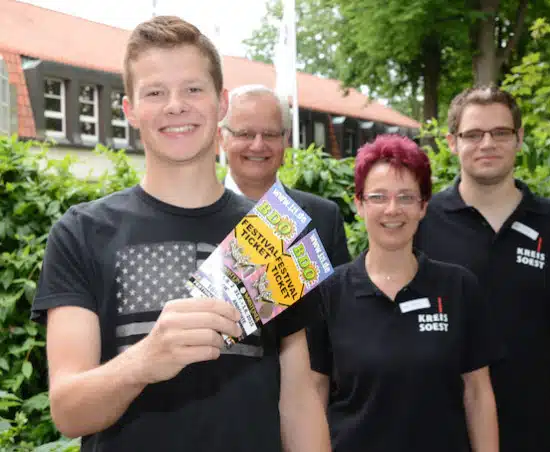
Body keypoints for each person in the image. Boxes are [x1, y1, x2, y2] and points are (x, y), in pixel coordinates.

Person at [31, 16, 328, 452]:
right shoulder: (81, 232)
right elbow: (69, 412)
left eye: (193, 89)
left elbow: (299, 400)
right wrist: (146, 361)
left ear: (221, 103)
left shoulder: (271, 234)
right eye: (155, 92)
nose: (176, 105)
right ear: (130, 110)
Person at [414, 85, 550, 452]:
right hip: (439, 433)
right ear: (452, 142)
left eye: (500, 132)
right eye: (473, 134)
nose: (487, 143)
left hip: (533, 434)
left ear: (519, 139)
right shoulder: (423, 223)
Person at [305, 134, 499, 451]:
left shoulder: (459, 288)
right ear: (359, 204)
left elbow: (477, 392)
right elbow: (313, 393)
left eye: (406, 197)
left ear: (424, 206)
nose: (392, 209)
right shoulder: (329, 292)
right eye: (378, 197)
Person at [219, 84, 351, 268]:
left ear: (286, 139)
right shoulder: (193, 212)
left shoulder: (325, 218)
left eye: (270, 134)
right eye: (245, 134)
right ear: (221, 138)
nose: (258, 145)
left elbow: (339, 295)